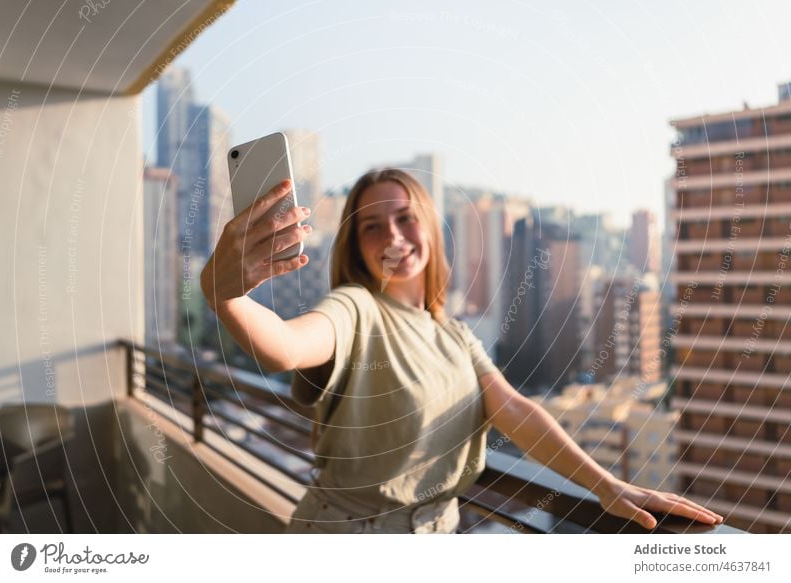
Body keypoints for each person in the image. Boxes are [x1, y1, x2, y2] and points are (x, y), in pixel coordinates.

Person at [200, 168, 724, 534]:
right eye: (372, 226)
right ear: (354, 245)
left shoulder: (454, 334)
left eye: (405, 218)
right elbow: (286, 347)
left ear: (428, 227)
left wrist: (607, 485)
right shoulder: (355, 306)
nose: (394, 236)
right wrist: (223, 293)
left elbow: (515, 410)